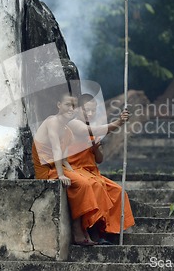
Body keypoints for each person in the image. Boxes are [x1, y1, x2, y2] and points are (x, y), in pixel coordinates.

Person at [31, 92, 130, 245]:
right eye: (68, 105)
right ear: (59, 105)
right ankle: (80, 231)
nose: (71, 108)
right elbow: (56, 149)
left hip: (72, 168)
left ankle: (103, 231)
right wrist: (118, 123)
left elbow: (66, 157)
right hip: (48, 170)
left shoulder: (65, 129)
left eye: (73, 106)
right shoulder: (56, 122)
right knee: (86, 185)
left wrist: (70, 171)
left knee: (110, 189)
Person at [66, 94, 135, 244]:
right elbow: (91, 131)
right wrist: (119, 122)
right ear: (78, 109)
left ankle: (109, 230)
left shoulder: (93, 129)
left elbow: (99, 159)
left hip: (90, 172)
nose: (90, 113)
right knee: (95, 187)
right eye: (86, 110)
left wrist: (96, 149)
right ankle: (92, 231)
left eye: (93, 110)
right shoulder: (74, 124)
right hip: (74, 169)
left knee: (117, 191)